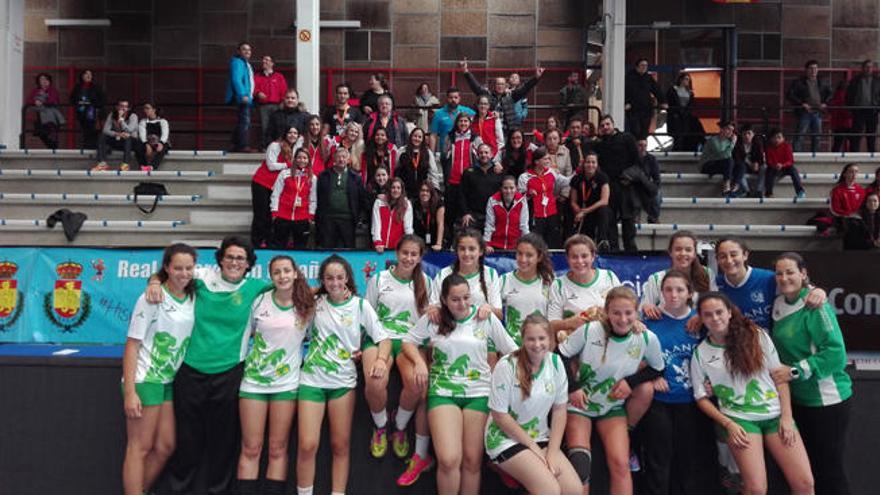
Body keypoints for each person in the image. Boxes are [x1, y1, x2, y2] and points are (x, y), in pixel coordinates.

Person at [145, 236, 272, 495]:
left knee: (223, 444)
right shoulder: (200, 277)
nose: (234, 262)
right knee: (187, 441)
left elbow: (293, 288)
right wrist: (155, 281)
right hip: (190, 372)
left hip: (230, 374)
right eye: (230, 257)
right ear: (221, 259)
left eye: (240, 258)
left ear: (249, 264)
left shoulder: (257, 288)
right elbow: (167, 273)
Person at [403, 274, 518, 495]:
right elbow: (409, 341)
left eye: (466, 297)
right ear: (444, 300)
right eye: (455, 299)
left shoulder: (485, 317)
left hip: (480, 393)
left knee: (472, 461)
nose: (463, 304)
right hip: (443, 391)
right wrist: (419, 362)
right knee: (448, 459)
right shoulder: (434, 318)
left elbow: (511, 351)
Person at [690, 292, 815, 495]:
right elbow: (701, 398)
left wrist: (787, 417)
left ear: (729, 312)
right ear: (701, 319)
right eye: (708, 314)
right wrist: (728, 424)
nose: (715, 318)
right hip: (740, 420)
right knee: (756, 488)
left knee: (805, 484)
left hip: (776, 416)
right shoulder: (701, 353)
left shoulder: (757, 336)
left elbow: (780, 377)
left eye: (719, 312)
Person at [296, 255, 389, 495]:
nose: (335, 282)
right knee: (307, 445)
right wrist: (312, 293)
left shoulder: (360, 305)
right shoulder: (315, 304)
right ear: (323, 280)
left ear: (347, 277)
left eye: (339, 277)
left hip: (343, 382)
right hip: (312, 381)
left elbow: (384, 339)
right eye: (329, 278)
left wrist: (379, 359)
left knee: (340, 446)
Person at [559, 286, 665, 494]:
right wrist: (573, 387)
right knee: (581, 462)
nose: (623, 318)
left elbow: (657, 368)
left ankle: (627, 437)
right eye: (616, 312)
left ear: (637, 314)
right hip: (580, 404)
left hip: (611, 407)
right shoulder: (590, 330)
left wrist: (631, 382)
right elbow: (560, 355)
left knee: (620, 463)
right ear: (607, 312)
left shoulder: (646, 338)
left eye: (628, 313)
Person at [770, 252, 852, 495]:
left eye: (790, 272)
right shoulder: (778, 304)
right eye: (779, 273)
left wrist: (795, 371)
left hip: (827, 400)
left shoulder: (816, 304)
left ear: (804, 274)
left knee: (829, 472)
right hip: (798, 401)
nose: (784, 278)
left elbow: (836, 354)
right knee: (805, 474)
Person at [236, 255, 315, 495]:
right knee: (251, 448)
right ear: (271, 277)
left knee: (277, 449)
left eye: (286, 271)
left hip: (287, 385)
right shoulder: (259, 301)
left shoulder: (306, 306)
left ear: (295, 274)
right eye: (277, 272)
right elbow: (243, 337)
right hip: (253, 384)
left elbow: (318, 336)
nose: (282, 276)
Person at [122, 244, 197, 495]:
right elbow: (132, 345)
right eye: (178, 268)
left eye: (188, 268)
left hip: (167, 381)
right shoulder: (151, 297)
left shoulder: (192, 296)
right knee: (139, 447)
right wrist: (131, 391)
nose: (183, 273)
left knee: (165, 446)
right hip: (145, 379)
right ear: (166, 268)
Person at [363, 236, 436, 485]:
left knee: (418, 383)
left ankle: (400, 427)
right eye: (404, 253)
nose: (408, 258)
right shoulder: (379, 279)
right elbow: (367, 314)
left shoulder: (426, 282)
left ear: (420, 257)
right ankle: (381, 427)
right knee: (375, 381)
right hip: (380, 337)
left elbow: (431, 318)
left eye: (414, 254)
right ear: (396, 253)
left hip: (410, 341)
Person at [640, 270, 720, 495]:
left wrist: (713, 381)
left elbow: (717, 354)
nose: (673, 295)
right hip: (659, 401)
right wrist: (652, 376)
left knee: (689, 460)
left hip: (692, 402)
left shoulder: (701, 321)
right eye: (668, 289)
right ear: (661, 292)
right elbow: (636, 358)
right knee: (659, 459)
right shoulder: (649, 322)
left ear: (690, 294)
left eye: (679, 290)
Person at [486, 314, 582, 495]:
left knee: (574, 490)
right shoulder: (507, 365)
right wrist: (535, 450)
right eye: (531, 339)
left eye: (542, 339)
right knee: (549, 490)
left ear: (551, 339)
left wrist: (552, 453)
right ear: (522, 339)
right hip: (505, 438)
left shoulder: (555, 363)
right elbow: (499, 416)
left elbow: (560, 410)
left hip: (540, 436)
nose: (537, 345)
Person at [714, 237, 826, 331]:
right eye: (723, 256)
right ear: (717, 260)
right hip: (736, 347)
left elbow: (799, 288)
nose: (729, 261)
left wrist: (817, 291)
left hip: (769, 349)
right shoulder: (715, 285)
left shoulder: (768, 278)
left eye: (734, 255)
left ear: (745, 255)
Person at [547, 234, 620, 336]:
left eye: (584, 256)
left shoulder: (609, 277)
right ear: (567, 258)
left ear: (593, 256)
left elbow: (624, 310)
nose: (580, 261)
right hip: (572, 345)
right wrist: (569, 323)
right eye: (574, 257)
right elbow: (551, 324)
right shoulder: (558, 285)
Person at [430, 229, 502, 320]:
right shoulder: (443, 274)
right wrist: (434, 310)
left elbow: (499, 315)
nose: (467, 253)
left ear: (480, 251)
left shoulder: (491, 274)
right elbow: (432, 307)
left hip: (481, 332)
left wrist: (490, 309)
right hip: (451, 330)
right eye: (462, 249)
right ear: (456, 251)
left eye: (472, 249)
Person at [641, 230, 716, 319]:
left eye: (688, 250)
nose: (683, 253)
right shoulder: (656, 279)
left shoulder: (707, 274)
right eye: (678, 249)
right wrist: (645, 307)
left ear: (695, 253)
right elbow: (641, 312)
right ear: (670, 252)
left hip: (698, 329)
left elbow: (715, 305)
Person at [595, 115, 642, 252]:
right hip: (609, 186)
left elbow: (636, 160)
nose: (605, 127)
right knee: (610, 219)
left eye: (607, 124)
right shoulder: (600, 144)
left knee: (628, 219)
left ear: (613, 124)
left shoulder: (627, 138)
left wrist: (630, 176)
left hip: (625, 184)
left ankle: (630, 248)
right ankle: (614, 248)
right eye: (602, 125)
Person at [460, 58, 544, 133]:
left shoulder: (511, 96)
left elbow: (525, 88)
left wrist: (536, 77)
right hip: (491, 131)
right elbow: (476, 87)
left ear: (505, 86)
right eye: (498, 84)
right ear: (494, 85)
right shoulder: (487, 96)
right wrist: (466, 72)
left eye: (502, 84)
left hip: (507, 131)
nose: (500, 86)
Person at [498, 234, 554, 344]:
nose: (523, 259)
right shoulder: (504, 280)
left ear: (539, 257)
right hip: (512, 348)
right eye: (519, 254)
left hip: (540, 347)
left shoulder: (549, 281)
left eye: (529, 255)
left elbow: (554, 320)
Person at [251, 126, 299, 247]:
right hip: (262, 183)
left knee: (272, 214)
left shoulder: (295, 149)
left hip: (276, 186)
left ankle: (268, 240)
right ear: (285, 134)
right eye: (290, 133)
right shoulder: (275, 145)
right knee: (261, 214)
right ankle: (257, 241)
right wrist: (288, 164)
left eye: (295, 133)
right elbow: (271, 165)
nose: (292, 135)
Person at [315, 147, 368, 248]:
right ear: (334, 159)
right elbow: (317, 196)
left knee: (348, 248)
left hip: (348, 219)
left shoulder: (355, 178)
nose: (341, 159)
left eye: (344, 157)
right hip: (328, 219)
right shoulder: (324, 176)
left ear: (348, 160)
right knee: (327, 248)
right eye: (339, 157)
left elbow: (362, 199)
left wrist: (359, 217)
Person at [517, 146, 570, 248]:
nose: (548, 161)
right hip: (535, 215)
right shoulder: (525, 177)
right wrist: (528, 194)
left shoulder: (551, 172)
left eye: (548, 158)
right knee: (536, 243)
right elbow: (519, 198)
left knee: (553, 242)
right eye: (545, 159)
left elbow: (566, 182)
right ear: (537, 162)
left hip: (552, 213)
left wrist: (577, 172)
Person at [270, 148, 317, 249]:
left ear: (309, 160)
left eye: (305, 158)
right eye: (299, 157)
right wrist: (274, 211)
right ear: (295, 159)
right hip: (282, 215)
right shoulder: (284, 174)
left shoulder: (312, 178)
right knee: (279, 245)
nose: (302, 160)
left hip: (302, 217)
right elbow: (276, 194)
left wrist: (311, 215)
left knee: (300, 247)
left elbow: (313, 198)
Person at [442, 112, 480, 233]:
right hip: (453, 180)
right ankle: (449, 238)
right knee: (450, 212)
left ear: (469, 123)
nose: (463, 123)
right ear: (457, 123)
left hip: (469, 182)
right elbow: (444, 156)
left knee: (466, 212)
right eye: (461, 121)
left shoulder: (475, 138)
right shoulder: (450, 137)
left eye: (465, 121)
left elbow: (482, 156)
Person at [569, 151, 612, 248]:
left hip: (595, 210)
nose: (590, 165)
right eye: (588, 162)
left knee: (604, 210)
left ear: (597, 164)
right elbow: (573, 201)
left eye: (593, 162)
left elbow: (604, 200)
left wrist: (585, 211)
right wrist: (579, 211)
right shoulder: (577, 178)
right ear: (584, 164)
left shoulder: (602, 177)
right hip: (580, 210)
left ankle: (602, 241)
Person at [786, 59, 831, 153]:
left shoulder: (822, 82)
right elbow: (790, 94)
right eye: (811, 68)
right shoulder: (799, 82)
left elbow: (830, 93)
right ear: (806, 70)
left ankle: (816, 154)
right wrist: (801, 103)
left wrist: (825, 103)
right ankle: (797, 153)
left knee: (817, 136)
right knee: (800, 134)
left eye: (815, 68)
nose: (813, 71)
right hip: (804, 112)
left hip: (817, 112)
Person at [459, 143, 505, 233]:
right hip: (473, 215)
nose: (484, 155)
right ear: (477, 154)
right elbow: (462, 194)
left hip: (494, 214)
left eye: (486, 152)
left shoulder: (498, 172)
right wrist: (465, 213)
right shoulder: (469, 172)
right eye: (481, 153)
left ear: (491, 154)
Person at [484, 176, 529, 253]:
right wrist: (487, 243)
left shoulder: (522, 201)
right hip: (495, 246)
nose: (508, 191)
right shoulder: (492, 200)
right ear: (501, 188)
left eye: (512, 188)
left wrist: (527, 244)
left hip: (515, 246)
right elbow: (489, 224)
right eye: (505, 188)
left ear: (516, 188)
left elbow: (524, 225)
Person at [625, 58, 666, 140]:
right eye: (642, 65)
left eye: (646, 66)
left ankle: (642, 149)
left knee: (644, 132)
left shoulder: (648, 78)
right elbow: (625, 91)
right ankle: (635, 148)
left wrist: (663, 101)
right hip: (633, 109)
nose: (644, 67)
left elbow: (656, 90)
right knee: (635, 130)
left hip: (646, 109)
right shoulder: (629, 78)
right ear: (637, 67)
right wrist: (626, 102)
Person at [395, 127, 442, 199]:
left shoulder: (427, 152)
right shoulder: (402, 151)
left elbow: (433, 172)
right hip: (404, 190)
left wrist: (436, 188)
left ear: (423, 139)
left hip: (422, 190)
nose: (417, 139)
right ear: (411, 137)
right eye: (415, 136)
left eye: (419, 137)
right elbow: (396, 169)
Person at [253, 55, 289, 148]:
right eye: (263, 60)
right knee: (264, 126)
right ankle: (265, 146)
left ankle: (277, 146)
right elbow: (253, 88)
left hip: (277, 105)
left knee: (278, 125)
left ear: (272, 63)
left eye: (267, 60)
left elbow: (284, 90)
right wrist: (258, 93)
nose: (264, 61)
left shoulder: (279, 76)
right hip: (263, 106)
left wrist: (282, 102)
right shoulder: (257, 76)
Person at [830, 163, 868, 249]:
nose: (854, 174)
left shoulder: (861, 190)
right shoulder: (837, 190)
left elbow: (863, 207)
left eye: (856, 172)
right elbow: (835, 209)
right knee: (853, 225)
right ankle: (849, 251)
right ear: (845, 174)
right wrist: (849, 214)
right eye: (851, 172)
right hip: (842, 218)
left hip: (858, 219)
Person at [226, 41, 256, 152]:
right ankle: (242, 146)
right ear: (239, 51)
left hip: (247, 97)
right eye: (244, 49)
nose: (247, 51)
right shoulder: (238, 62)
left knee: (242, 121)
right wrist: (242, 94)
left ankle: (235, 144)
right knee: (245, 122)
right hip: (242, 98)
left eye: (249, 50)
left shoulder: (245, 64)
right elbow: (236, 79)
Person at [94, 99, 139, 171]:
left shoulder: (133, 116)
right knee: (102, 136)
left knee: (127, 137)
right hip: (118, 140)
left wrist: (121, 120)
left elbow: (129, 130)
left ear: (128, 108)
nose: (123, 108)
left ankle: (125, 165)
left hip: (131, 142)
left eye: (126, 106)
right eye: (121, 106)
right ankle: (102, 164)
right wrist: (117, 134)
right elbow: (105, 130)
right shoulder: (112, 115)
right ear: (117, 107)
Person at [846, 59, 880, 153]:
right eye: (866, 67)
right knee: (856, 134)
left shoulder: (877, 80)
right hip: (858, 110)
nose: (868, 69)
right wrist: (850, 107)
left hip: (872, 110)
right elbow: (849, 94)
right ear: (862, 68)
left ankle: (872, 153)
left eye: (870, 67)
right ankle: (854, 153)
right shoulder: (856, 80)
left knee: (871, 134)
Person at [372, 178, 414, 253]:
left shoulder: (406, 204)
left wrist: (409, 243)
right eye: (393, 187)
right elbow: (376, 224)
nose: (396, 190)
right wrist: (378, 242)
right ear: (389, 189)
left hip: (398, 249)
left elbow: (408, 227)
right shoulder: (379, 203)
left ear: (402, 190)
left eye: (398, 188)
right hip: (381, 248)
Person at [700, 120, 741, 196]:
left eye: (732, 130)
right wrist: (733, 143)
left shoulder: (728, 142)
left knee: (740, 165)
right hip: (708, 165)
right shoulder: (713, 140)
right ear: (722, 129)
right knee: (729, 161)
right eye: (728, 129)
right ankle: (726, 185)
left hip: (722, 165)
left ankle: (735, 186)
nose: (730, 132)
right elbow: (723, 156)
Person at [429, 86, 475, 152]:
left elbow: (481, 116)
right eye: (451, 97)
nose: (453, 100)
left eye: (456, 97)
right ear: (447, 98)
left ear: (459, 98)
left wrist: (493, 114)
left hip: (463, 152)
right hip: (445, 151)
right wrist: (431, 155)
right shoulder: (438, 114)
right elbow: (433, 136)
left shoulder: (467, 111)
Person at [765, 128, 806, 198]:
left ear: (783, 138)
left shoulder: (787, 146)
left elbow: (790, 160)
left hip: (786, 167)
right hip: (774, 168)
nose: (777, 140)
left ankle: (800, 191)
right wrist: (775, 165)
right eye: (774, 138)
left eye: (779, 137)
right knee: (769, 171)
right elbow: (769, 161)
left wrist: (783, 165)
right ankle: (769, 193)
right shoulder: (769, 148)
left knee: (793, 170)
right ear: (771, 139)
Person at [69, 68, 105, 149]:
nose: (88, 76)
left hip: (93, 112)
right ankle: (87, 146)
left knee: (93, 130)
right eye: (86, 74)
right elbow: (72, 99)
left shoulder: (96, 87)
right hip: (81, 112)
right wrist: (79, 103)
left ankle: (91, 147)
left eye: (90, 74)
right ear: (82, 76)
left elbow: (102, 99)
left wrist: (93, 104)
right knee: (85, 130)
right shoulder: (78, 87)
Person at [28, 72, 65, 149]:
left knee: (51, 135)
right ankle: (52, 147)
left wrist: (42, 102)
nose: (44, 81)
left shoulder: (52, 90)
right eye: (41, 79)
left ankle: (53, 148)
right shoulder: (35, 90)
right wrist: (35, 102)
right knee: (41, 133)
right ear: (38, 81)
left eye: (46, 79)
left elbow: (52, 99)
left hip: (51, 117)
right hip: (39, 116)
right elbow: (28, 100)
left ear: (49, 81)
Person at [733, 124, 766, 197]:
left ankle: (759, 191)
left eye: (749, 133)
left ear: (753, 134)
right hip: (744, 166)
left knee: (764, 167)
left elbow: (760, 158)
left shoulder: (757, 142)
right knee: (739, 169)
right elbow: (737, 158)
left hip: (755, 166)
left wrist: (757, 163)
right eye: (744, 134)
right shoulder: (738, 144)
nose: (747, 136)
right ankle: (747, 190)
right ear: (741, 135)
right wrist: (749, 164)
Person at [135, 102, 170, 171]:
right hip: (148, 142)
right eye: (144, 108)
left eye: (147, 108)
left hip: (159, 142)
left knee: (163, 147)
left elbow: (165, 134)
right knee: (138, 147)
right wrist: (146, 144)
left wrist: (161, 143)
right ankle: (144, 166)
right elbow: (142, 134)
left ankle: (152, 167)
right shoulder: (143, 121)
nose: (145, 110)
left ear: (154, 110)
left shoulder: (163, 121)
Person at [666, 71, 695, 151]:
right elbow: (670, 102)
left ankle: (681, 149)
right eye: (685, 79)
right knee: (677, 135)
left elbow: (691, 105)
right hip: (676, 115)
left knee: (684, 134)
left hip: (685, 116)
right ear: (681, 79)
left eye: (688, 80)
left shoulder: (690, 92)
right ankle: (676, 150)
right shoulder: (673, 89)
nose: (687, 81)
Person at [413, 181, 445, 251]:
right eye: (422, 190)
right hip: (421, 240)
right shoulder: (415, 204)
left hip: (436, 239)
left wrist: (438, 244)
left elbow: (440, 224)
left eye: (428, 191)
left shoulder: (438, 204)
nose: (425, 193)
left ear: (431, 193)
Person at [471, 94, 505, 161]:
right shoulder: (472, 120)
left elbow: (500, 140)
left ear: (489, 106)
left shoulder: (494, 118)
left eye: (485, 104)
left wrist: (494, 156)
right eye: (481, 104)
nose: (483, 106)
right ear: (477, 105)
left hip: (492, 156)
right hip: (478, 157)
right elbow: (471, 140)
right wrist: (475, 154)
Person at [638, 138, 662, 222]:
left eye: (645, 145)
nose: (643, 148)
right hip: (633, 185)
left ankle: (653, 218)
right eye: (640, 145)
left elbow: (657, 178)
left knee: (657, 193)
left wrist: (654, 187)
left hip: (646, 185)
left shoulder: (651, 159)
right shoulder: (631, 158)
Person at [829, 80, 853, 153]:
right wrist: (850, 114)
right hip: (843, 122)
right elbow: (841, 106)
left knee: (838, 142)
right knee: (840, 141)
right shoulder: (841, 94)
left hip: (842, 122)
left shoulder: (837, 94)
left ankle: (835, 155)